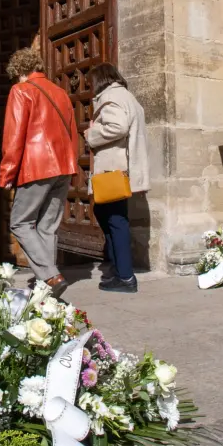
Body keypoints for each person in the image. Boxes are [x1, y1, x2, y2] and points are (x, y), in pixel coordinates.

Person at [0, 47, 79, 297]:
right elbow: (73, 133)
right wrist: (72, 165)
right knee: (47, 226)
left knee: (20, 222)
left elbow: (14, 137)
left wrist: (6, 173)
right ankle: (48, 284)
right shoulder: (61, 93)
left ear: (19, 70)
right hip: (63, 166)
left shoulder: (21, 90)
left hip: (37, 166)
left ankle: (51, 276)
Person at [85, 63, 149, 293]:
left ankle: (125, 277)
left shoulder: (111, 97)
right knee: (107, 215)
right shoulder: (127, 97)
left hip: (113, 169)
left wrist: (91, 134)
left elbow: (118, 127)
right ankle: (118, 269)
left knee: (116, 220)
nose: (91, 88)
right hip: (121, 167)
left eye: (91, 82)